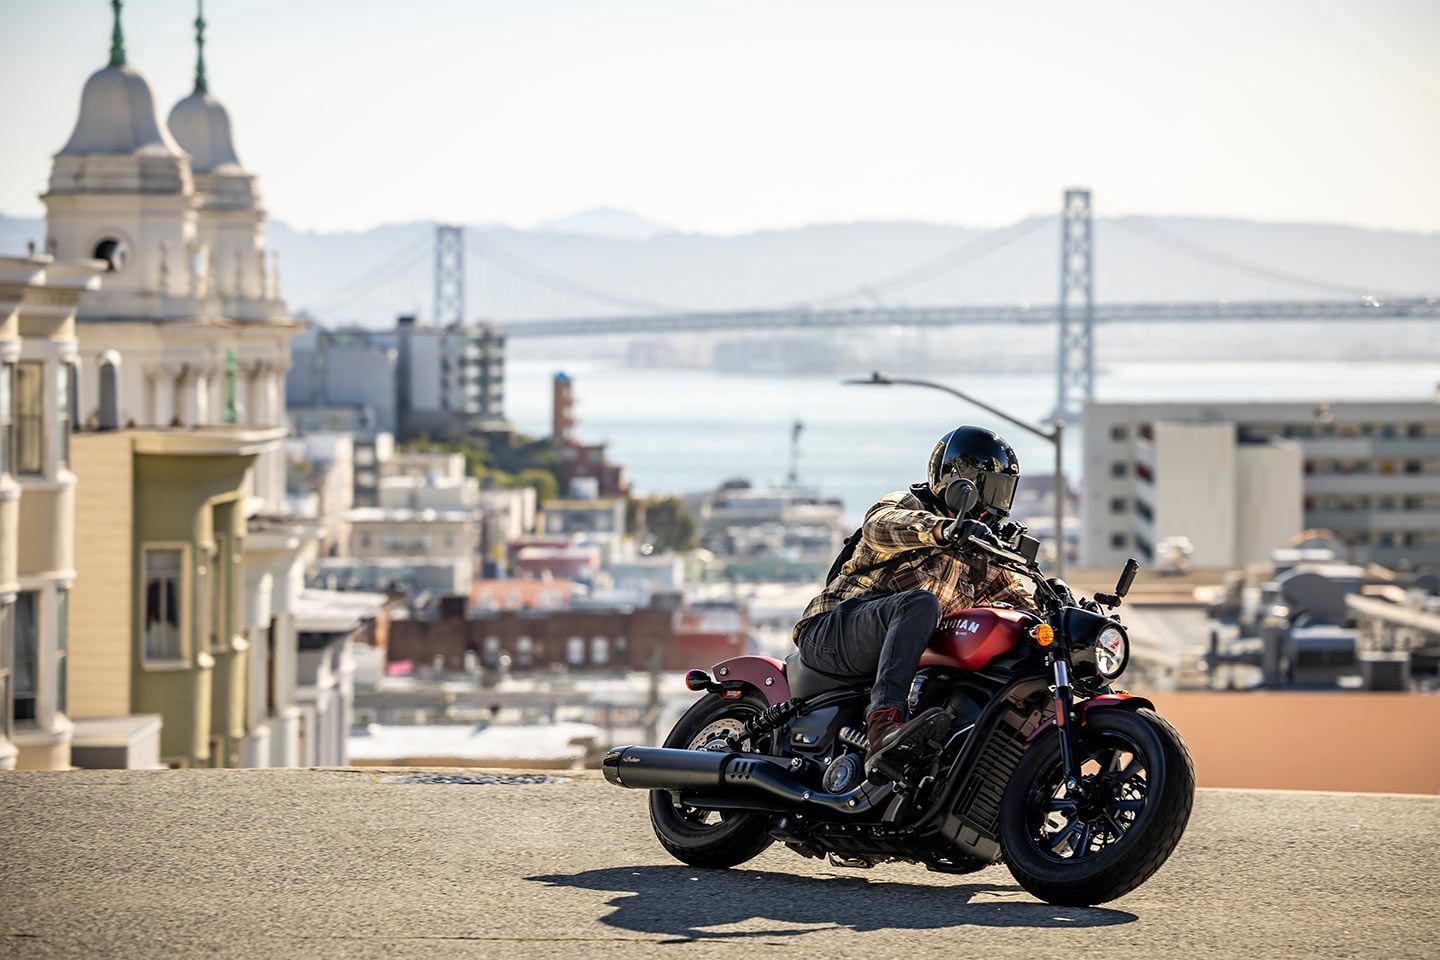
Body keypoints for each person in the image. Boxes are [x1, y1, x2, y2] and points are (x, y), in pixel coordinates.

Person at [793, 425, 1038, 771]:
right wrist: (942, 530)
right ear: (959, 483)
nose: (995, 503)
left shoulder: (980, 558)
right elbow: (879, 525)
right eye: (988, 489)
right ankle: (883, 722)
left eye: (1003, 492)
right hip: (833, 631)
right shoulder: (910, 504)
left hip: (887, 654)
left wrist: (1060, 605)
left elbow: (1020, 599)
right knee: (921, 602)